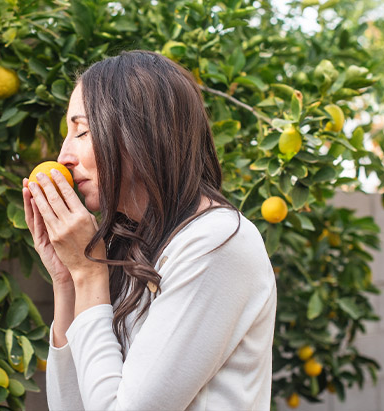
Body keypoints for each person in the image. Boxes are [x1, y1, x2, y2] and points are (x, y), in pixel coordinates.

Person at [22, 50, 276, 410]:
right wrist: (67, 280)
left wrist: (89, 273)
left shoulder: (216, 243)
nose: (64, 155)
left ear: (138, 132)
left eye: (81, 131)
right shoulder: (133, 246)